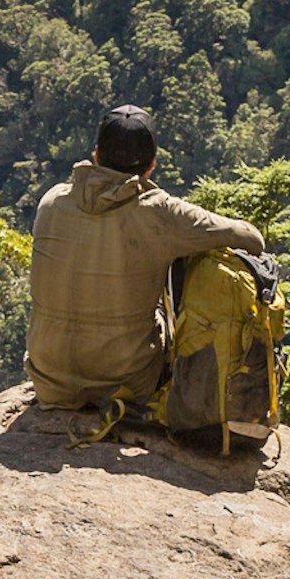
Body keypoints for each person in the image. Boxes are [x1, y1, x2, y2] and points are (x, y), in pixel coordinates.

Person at [27, 105, 266, 414]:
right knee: (187, 259)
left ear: (96, 154)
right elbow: (252, 240)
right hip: (127, 383)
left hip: (50, 380)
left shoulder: (52, 200)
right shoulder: (161, 212)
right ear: (151, 165)